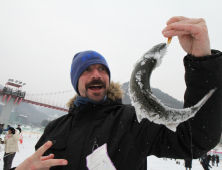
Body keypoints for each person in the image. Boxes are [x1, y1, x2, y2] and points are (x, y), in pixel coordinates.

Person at [14, 16, 222, 170]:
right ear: (75, 81)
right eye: (86, 70)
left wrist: (201, 60)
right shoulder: (54, 129)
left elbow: (196, 138)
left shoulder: (134, 120)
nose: (96, 74)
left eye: (102, 69)